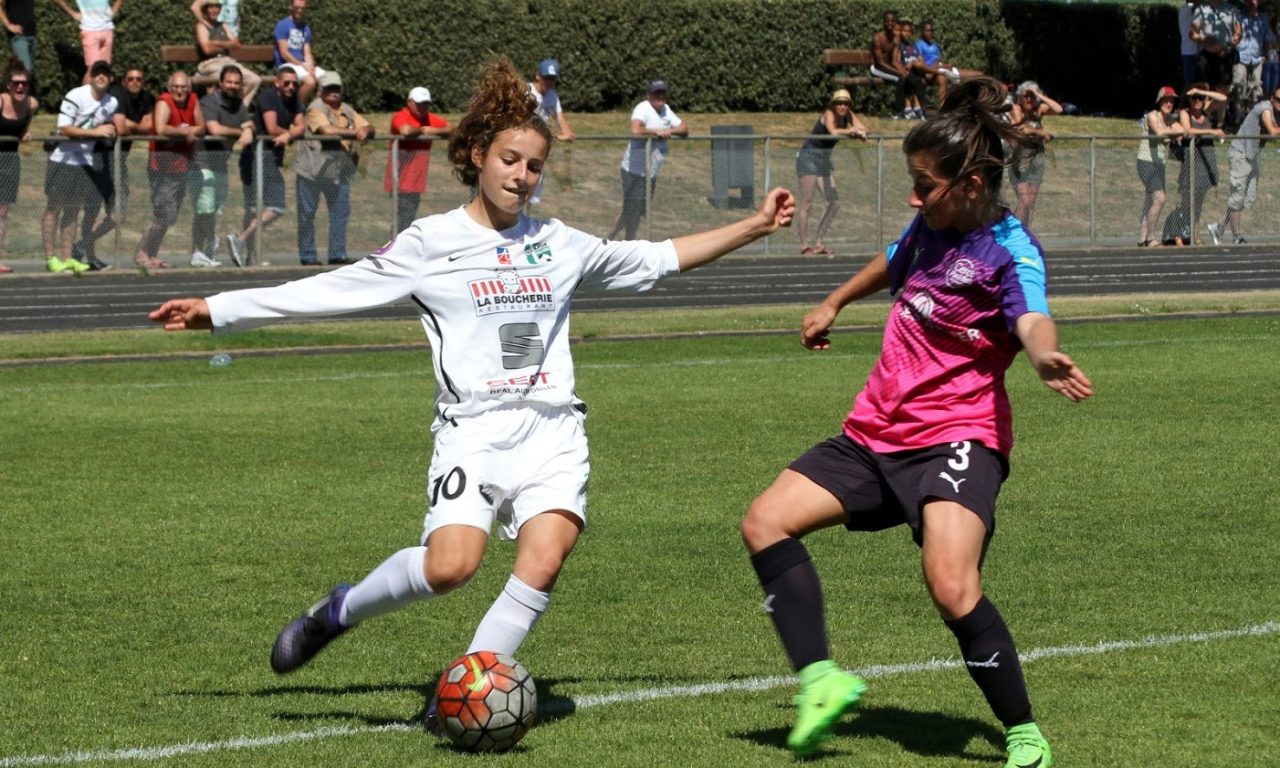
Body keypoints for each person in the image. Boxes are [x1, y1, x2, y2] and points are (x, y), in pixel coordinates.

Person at [147, 58, 796, 717]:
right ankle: (338, 611)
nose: (521, 175)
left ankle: (461, 695)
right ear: (479, 156)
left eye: (534, 166)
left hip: (553, 430)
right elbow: (331, 290)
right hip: (475, 429)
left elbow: (657, 259)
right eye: (509, 159)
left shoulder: (559, 243)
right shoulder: (432, 242)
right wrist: (220, 307)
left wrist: (756, 225)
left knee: (545, 558)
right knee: (451, 567)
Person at [740, 76, 1092, 768]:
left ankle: (1022, 732)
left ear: (969, 184)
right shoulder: (930, 228)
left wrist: (1043, 351)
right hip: (875, 433)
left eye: (924, 185)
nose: (913, 196)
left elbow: (1031, 312)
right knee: (764, 521)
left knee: (952, 585)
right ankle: (822, 680)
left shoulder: (1010, 250)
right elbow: (892, 260)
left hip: (960, 438)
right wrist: (835, 301)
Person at [72, 64, 152, 266]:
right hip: (101, 158)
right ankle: (88, 255)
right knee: (92, 209)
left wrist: (130, 124)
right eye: (131, 79)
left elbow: (150, 127)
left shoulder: (145, 98)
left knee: (119, 213)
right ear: (124, 82)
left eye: (139, 79)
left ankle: (82, 245)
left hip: (119, 161)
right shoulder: (117, 95)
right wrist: (135, 125)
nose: (135, 82)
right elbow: (122, 128)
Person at [42, 59, 116, 274]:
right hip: (62, 159)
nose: (101, 77)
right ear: (91, 76)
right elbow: (63, 128)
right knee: (54, 208)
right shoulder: (76, 95)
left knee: (73, 211)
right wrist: (96, 133)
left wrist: (111, 131)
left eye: (105, 74)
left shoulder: (111, 102)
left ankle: (67, 257)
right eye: (98, 73)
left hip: (85, 162)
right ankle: (50, 257)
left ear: (110, 78)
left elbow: (108, 126)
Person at [293, 70, 370, 265]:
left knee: (340, 212)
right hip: (312, 170)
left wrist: (366, 130)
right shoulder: (315, 108)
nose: (334, 92)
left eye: (337, 88)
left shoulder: (347, 109)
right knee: (307, 214)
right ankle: (308, 256)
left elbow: (367, 126)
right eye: (329, 88)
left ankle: (337, 254)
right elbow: (326, 130)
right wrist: (355, 132)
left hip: (338, 171)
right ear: (320, 90)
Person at [229, 64, 303, 266]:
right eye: (286, 83)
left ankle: (249, 253)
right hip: (256, 155)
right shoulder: (268, 97)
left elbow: (301, 126)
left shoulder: (295, 100)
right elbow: (271, 128)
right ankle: (242, 242)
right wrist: (289, 132)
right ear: (277, 82)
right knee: (273, 206)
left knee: (259, 209)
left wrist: (289, 134)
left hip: (271, 157)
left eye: (294, 84)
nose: (290, 87)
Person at [135, 71, 205, 270]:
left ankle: (152, 253)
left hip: (182, 164)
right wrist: (185, 132)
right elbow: (161, 127)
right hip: (163, 165)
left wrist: (192, 130)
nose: (180, 91)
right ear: (169, 88)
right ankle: (141, 252)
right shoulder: (164, 102)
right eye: (176, 87)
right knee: (163, 213)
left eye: (184, 87)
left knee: (171, 215)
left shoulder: (193, 99)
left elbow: (201, 125)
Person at [191, 63, 254, 268]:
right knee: (205, 207)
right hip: (203, 161)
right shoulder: (209, 101)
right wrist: (241, 132)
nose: (233, 86)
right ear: (220, 83)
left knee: (215, 210)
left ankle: (206, 249)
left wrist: (249, 129)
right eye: (229, 82)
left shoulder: (238, 103)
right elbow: (214, 128)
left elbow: (248, 123)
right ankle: (198, 250)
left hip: (221, 164)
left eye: (237, 83)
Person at [608, 79, 687, 240]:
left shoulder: (666, 110)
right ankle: (627, 239)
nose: (660, 96)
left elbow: (684, 129)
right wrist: (657, 132)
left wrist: (668, 131)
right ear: (648, 95)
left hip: (651, 172)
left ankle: (609, 239)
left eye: (662, 93)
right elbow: (636, 129)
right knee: (633, 209)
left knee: (638, 209)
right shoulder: (642, 108)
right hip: (634, 171)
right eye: (656, 93)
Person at [794, 88, 867, 255]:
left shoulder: (848, 115)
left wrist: (859, 132)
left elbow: (864, 128)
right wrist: (852, 131)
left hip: (823, 161)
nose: (842, 106)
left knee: (834, 202)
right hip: (808, 158)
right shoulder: (829, 114)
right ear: (833, 105)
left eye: (846, 104)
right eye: (839, 103)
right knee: (807, 202)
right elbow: (833, 132)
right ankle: (804, 245)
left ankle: (819, 242)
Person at [1208, 87, 1280, 245]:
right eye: (1278, 99)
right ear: (1272, 98)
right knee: (1237, 196)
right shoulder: (1265, 107)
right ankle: (1236, 237)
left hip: (1252, 156)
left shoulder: (1276, 111)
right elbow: (1273, 132)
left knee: (1247, 197)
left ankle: (1218, 228)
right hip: (1240, 154)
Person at [1164, 83, 1225, 246]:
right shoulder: (1185, 112)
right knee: (1187, 201)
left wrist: (1202, 91)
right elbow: (1188, 130)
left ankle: (1194, 236)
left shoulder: (1206, 109)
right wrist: (1211, 132)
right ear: (1189, 99)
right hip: (1192, 161)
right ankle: (1175, 233)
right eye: (1194, 98)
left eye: (1200, 98)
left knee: (1198, 203)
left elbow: (1224, 99)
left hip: (1207, 160)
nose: (1198, 100)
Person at [384, 85, 451, 233]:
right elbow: (405, 130)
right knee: (402, 221)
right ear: (409, 102)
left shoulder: (429, 118)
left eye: (426, 104)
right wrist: (423, 130)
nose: (423, 107)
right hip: (399, 179)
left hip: (416, 181)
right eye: (420, 103)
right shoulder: (401, 116)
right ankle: (396, 249)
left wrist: (432, 130)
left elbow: (451, 128)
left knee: (408, 219)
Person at [1136, 86, 1186, 247]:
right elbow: (1158, 132)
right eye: (1166, 100)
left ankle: (1142, 237)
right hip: (1146, 162)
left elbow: (1183, 130)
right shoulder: (1152, 115)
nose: (1169, 104)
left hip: (1159, 164)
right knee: (1160, 198)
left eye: (1171, 101)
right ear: (1160, 101)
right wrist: (1170, 131)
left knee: (1150, 201)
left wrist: (1170, 129)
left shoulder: (1170, 119)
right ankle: (1151, 237)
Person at [1008, 81, 1062, 227]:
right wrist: (1040, 132)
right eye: (1025, 96)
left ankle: (1028, 236)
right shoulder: (1016, 108)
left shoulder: (1038, 109)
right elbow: (1021, 128)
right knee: (1024, 201)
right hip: (1020, 159)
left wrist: (1038, 94)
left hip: (1037, 158)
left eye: (1031, 96)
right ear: (1019, 96)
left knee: (1031, 204)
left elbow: (1058, 109)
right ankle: (1015, 235)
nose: (1028, 99)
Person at [0, 56, 34, 274]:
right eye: (16, 83)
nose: (20, 87)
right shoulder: (0, 101)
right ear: (8, 85)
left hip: (11, 161)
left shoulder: (31, 105)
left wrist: (25, 134)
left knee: (2, 212)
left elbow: (22, 130)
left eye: (24, 83)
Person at [194, 0, 261, 106]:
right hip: (211, 64)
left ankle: (238, 109)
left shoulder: (223, 25)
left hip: (227, 61)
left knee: (254, 80)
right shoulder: (201, 26)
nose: (214, 10)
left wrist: (217, 42)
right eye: (211, 7)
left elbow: (237, 45)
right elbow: (207, 49)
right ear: (206, 10)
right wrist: (227, 45)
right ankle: (219, 111)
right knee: (225, 80)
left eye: (216, 7)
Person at [526, 58, 574, 205]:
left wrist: (567, 133)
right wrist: (557, 136)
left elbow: (559, 117)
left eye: (553, 79)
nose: (549, 82)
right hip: (525, 144)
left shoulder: (553, 95)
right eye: (547, 78)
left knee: (534, 191)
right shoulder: (527, 91)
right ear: (537, 76)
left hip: (540, 147)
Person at [53, 0, 123, 84]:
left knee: (105, 70)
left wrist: (114, 10)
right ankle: (83, 96)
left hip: (107, 28)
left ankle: (102, 96)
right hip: (89, 29)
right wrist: (72, 13)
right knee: (92, 70)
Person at [273, 0, 325, 106]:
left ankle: (314, 109)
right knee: (310, 82)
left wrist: (310, 66)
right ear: (290, 7)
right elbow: (284, 53)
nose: (300, 10)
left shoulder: (306, 28)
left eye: (302, 8)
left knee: (327, 80)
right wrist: (302, 65)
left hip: (302, 65)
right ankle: (296, 109)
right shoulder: (282, 25)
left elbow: (307, 51)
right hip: (286, 64)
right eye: (297, 7)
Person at [1232, 0, 1273, 129]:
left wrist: (1265, 55)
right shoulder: (1238, 15)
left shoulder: (1263, 18)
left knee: (1255, 89)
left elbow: (1266, 38)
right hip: (1240, 56)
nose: (1251, 2)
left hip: (1257, 58)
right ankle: (1238, 119)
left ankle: (1249, 120)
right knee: (1239, 86)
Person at [0, 0, 36, 76]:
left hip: (32, 35)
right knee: (25, 71)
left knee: (28, 73)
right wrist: (8, 25)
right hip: (18, 36)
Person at [1179, 0, 1202, 89]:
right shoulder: (1190, 8)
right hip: (1191, 52)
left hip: (1188, 51)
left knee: (1191, 84)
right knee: (1192, 86)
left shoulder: (1183, 9)